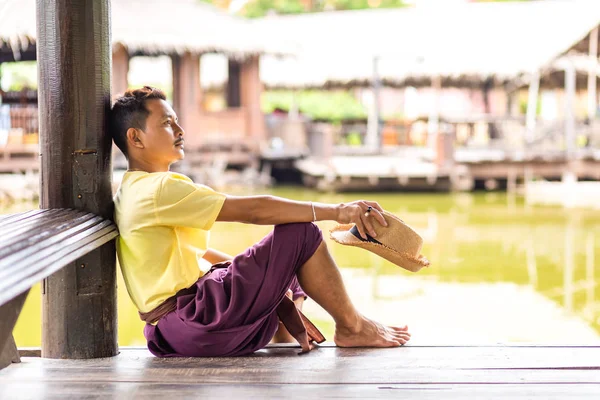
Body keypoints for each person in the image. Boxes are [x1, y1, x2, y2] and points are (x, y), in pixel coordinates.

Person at [110, 86, 411, 358]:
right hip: (197, 320)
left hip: (171, 331)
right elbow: (255, 210)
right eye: (166, 123)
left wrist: (266, 274)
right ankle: (352, 327)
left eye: (175, 120)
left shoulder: (132, 187)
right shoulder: (160, 189)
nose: (180, 129)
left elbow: (192, 256)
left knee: (286, 264)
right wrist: (339, 211)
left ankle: (284, 334)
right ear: (135, 137)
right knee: (301, 233)